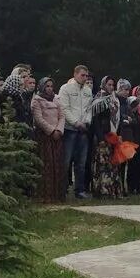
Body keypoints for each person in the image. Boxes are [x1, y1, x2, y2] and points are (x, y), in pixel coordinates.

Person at [89, 77, 130, 198]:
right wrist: (100, 137)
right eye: (109, 84)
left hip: (113, 135)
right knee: (103, 164)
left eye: (113, 85)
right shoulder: (98, 99)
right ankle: (102, 190)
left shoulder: (114, 99)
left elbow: (118, 119)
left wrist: (119, 134)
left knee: (113, 164)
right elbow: (95, 120)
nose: (111, 87)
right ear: (103, 85)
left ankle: (113, 190)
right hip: (102, 135)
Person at [58, 64, 94, 199]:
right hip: (70, 129)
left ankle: (79, 190)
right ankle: (62, 190)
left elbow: (89, 108)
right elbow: (64, 108)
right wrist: (75, 122)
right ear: (75, 74)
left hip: (83, 129)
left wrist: (87, 121)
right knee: (66, 161)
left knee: (81, 162)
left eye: (86, 76)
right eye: (82, 75)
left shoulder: (88, 90)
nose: (85, 78)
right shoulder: (65, 88)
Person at [31, 77, 66, 203]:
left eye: (51, 86)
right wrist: (51, 131)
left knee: (57, 164)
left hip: (57, 136)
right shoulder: (37, 100)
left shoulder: (57, 99)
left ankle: (58, 195)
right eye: (47, 86)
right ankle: (46, 195)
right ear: (42, 87)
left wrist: (58, 130)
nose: (50, 89)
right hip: (44, 137)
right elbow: (38, 119)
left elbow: (62, 116)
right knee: (47, 165)